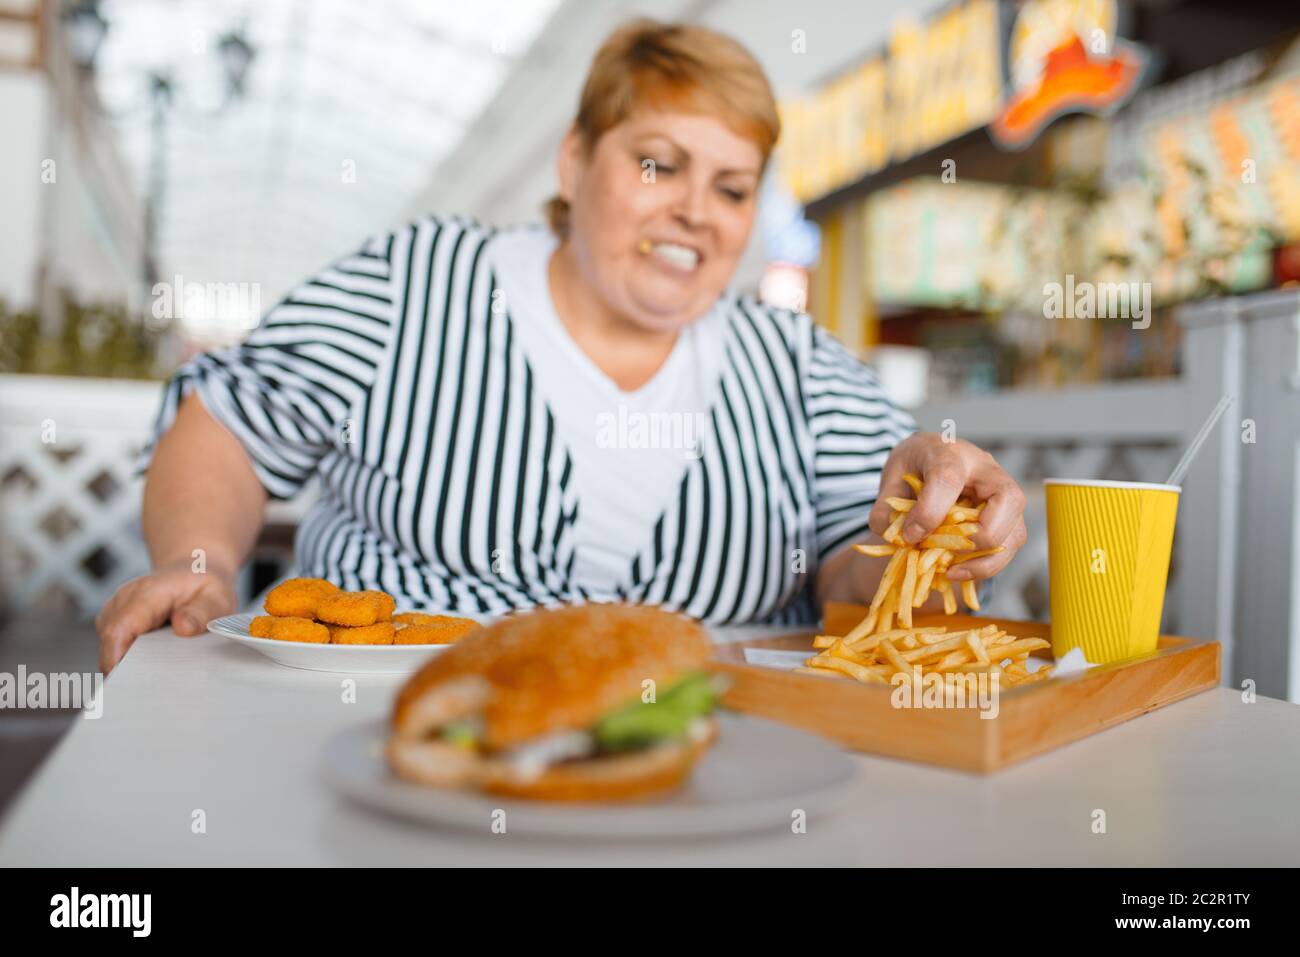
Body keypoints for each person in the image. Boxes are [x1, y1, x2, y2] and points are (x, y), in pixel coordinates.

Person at [97, 19, 1027, 673]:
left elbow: (854, 578)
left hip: (703, 770)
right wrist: (200, 569)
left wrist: (925, 540)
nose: (696, 211)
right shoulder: (415, 284)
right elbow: (225, 420)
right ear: (576, 160)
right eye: (658, 162)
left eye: (734, 187)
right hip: (377, 742)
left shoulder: (797, 366)